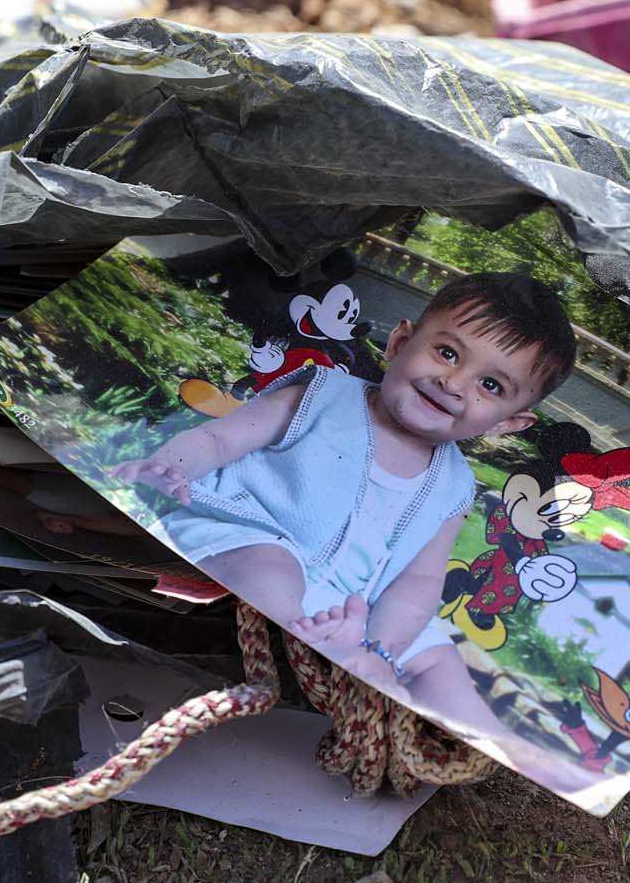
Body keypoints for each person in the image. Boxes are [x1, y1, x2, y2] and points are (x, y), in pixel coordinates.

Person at [112, 271, 595, 790]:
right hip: (258, 534)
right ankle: (310, 639)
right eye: (448, 354)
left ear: (506, 424)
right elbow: (220, 437)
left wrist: (381, 650)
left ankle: (500, 741)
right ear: (401, 341)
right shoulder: (323, 395)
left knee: (438, 658)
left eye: (491, 386)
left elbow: (418, 583)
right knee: (269, 568)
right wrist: (172, 466)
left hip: (357, 600)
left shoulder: (455, 485)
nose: (453, 384)